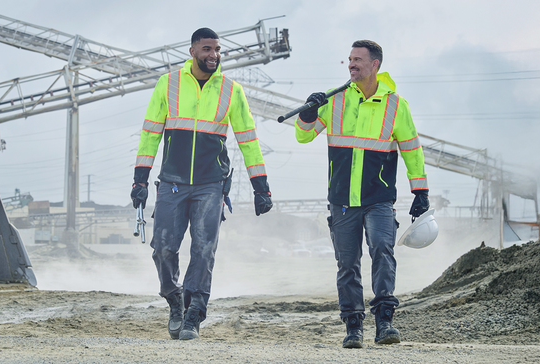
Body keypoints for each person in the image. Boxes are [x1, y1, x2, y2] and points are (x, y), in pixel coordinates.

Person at [130, 27, 274, 340]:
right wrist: (140, 179)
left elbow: (248, 140)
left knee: (204, 250)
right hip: (172, 182)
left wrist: (261, 186)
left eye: (217, 49)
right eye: (207, 49)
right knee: (163, 248)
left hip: (211, 183)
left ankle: (194, 312)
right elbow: (150, 133)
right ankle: (174, 298)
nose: (214, 55)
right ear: (193, 50)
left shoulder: (231, 90)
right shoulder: (168, 84)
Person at [294, 40, 430, 348]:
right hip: (342, 199)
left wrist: (420, 191)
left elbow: (412, 150)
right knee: (347, 263)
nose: (351, 64)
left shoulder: (396, 105)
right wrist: (309, 111)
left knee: (382, 249)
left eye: (357, 59)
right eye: (349, 59)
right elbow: (304, 136)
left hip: (378, 197)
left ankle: (385, 321)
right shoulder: (335, 99)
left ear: (375, 64)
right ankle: (353, 326)